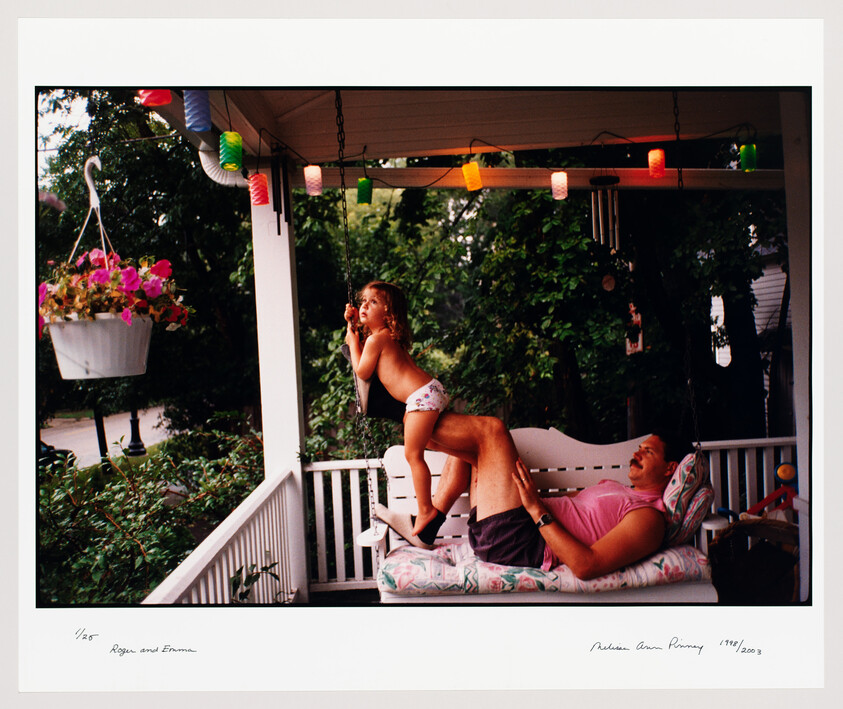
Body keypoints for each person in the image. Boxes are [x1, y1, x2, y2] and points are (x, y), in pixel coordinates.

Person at [376, 412, 687, 580]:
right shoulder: (616, 488)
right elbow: (570, 508)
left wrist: (536, 510)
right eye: (639, 447)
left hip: (523, 540)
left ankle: (406, 416)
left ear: (669, 468)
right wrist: (532, 502)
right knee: (472, 447)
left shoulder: (649, 518)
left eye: (648, 451)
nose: (637, 452)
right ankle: (429, 522)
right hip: (516, 524)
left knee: (492, 430)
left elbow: (586, 566)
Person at [344, 281, 450, 539]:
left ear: (389, 314)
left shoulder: (375, 341)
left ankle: (426, 510)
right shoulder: (388, 338)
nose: (364, 305)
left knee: (413, 455)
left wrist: (351, 341)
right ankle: (430, 506)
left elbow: (361, 370)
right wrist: (353, 325)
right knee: (431, 443)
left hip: (420, 398)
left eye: (373, 302)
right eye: (363, 301)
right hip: (429, 391)